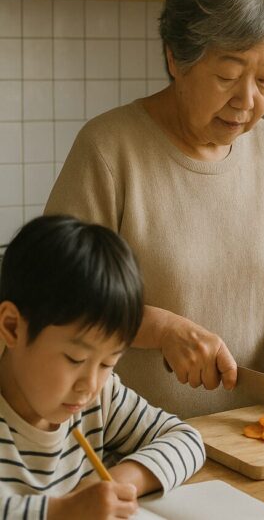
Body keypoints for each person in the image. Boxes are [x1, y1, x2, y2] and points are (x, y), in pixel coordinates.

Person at [45, 0, 264, 419]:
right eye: (228, 75)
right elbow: (59, 292)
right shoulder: (109, 149)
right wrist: (158, 329)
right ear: (176, 58)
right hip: (133, 444)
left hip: (255, 434)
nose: (247, 100)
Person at [0, 215, 206, 519]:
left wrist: (111, 483)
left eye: (108, 362)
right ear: (13, 327)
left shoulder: (100, 398)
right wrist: (63, 512)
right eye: (75, 360)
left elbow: (187, 440)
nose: (89, 384)